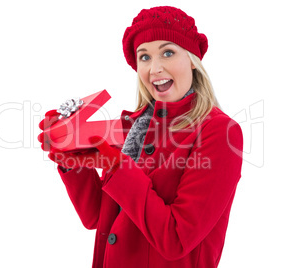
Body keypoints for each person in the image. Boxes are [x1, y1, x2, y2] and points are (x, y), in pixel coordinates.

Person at [39, 6, 243, 268]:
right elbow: (96, 217)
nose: (154, 68)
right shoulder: (135, 127)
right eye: (144, 57)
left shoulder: (220, 132)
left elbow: (176, 239)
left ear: (192, 59)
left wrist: (118, 168)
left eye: (167, 53)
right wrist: (70, 158)